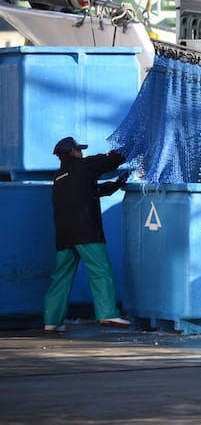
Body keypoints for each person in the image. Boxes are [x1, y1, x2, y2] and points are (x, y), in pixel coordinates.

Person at [43, 136, 130, 333]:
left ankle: (52, 321)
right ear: (72, 152)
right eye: (79, 150)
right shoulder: (83, 166)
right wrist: (130, 147)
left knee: (61, 277)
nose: (82, 153)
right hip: (86, 231)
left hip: (64, 236)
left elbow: (90, 191)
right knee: (100, 271)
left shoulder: (59, 177)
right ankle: (108, 313)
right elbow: (108, 160)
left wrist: (116, 184)